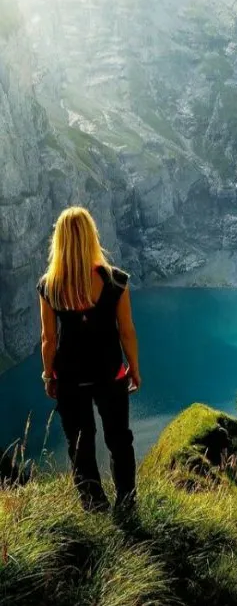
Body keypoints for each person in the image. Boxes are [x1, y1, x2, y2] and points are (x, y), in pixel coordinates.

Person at [37, 206, 141, 514]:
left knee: (80, 443)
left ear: (60, 241)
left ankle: (94, 507)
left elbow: (49, 339)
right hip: (111, 372)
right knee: (119, 439)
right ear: (91, 237)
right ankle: (127, 503)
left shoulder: (49, 286)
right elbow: (127, 330)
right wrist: (134, 368)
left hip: (69, 376)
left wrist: (48, 375)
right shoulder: (116, 280)